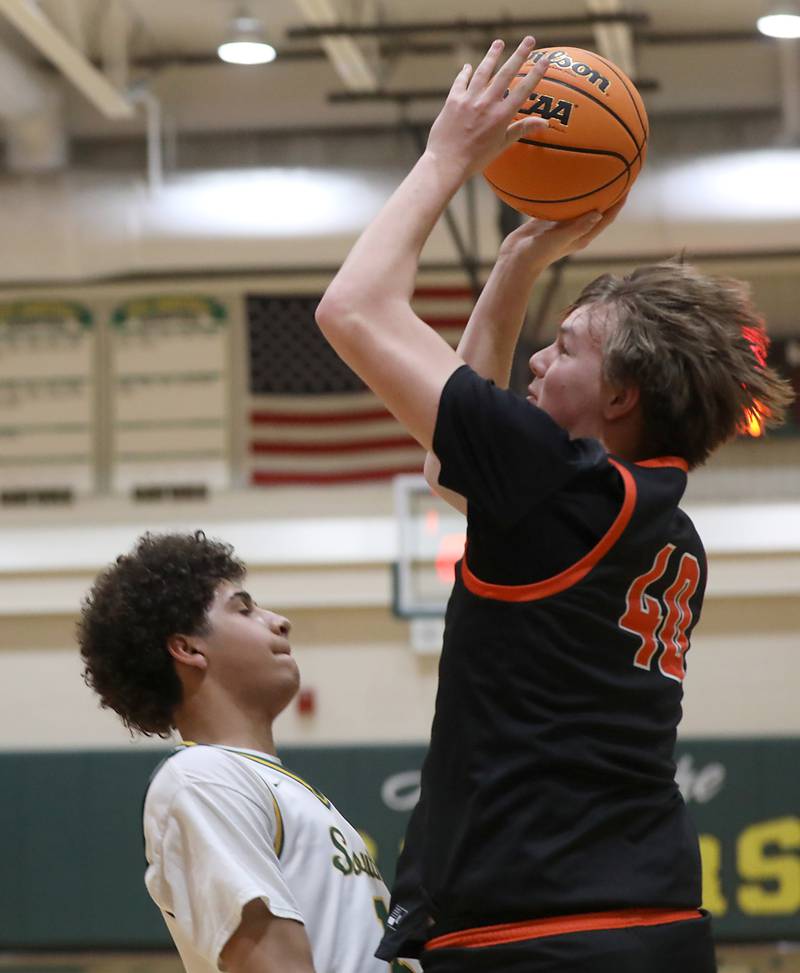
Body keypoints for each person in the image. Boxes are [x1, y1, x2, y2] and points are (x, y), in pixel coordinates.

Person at [315, 34, 795, 973]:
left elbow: (354, 309)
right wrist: (517, 266)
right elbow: (453, 476)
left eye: (566, 347)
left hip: (537, 931)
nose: (538, 357)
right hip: (651, 922)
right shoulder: (662, 523)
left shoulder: (560, 484)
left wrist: (447, 156)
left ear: (621, 398)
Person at [78, 530, 419, 973]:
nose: (279, 620)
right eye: (244, 608)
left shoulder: (270, 785)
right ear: (188, 648)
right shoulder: (202, 778)